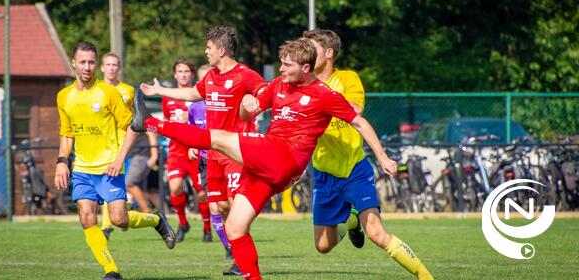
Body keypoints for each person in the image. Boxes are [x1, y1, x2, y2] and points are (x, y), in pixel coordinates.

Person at [133, 38, 402, 279]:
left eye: (286, 65)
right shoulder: (278, 86)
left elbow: (360, 123)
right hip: (271, 163)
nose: (281, 69)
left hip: (283, 155)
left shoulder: (324, 93)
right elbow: (247, 113)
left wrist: (383, 158)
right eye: (281, 64)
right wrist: (248, 108)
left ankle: (148, 123)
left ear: (305, 68)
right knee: (235, 227)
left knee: (215, 138)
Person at [306, 29, 433, 279]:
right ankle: (350, 221)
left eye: (313, 48)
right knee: (322, 246)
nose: (307, 54)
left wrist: (384, 158)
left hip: (355, 169)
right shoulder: (302, 84)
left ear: (329, 53)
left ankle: (425, 276)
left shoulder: (348, 78)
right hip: (323, 173)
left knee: (377, 234)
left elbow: (356, 109)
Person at [139, 26, 266, 276]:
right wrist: (159, 91)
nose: (206, 52)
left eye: (208, 47)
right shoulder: (211, 77)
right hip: (213, 154)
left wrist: (255, 102)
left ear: (221, 49)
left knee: (234, 205)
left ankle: (243, 261)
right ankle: (239, 255)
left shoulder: (245, 75)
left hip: (236, 153)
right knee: (220, 206)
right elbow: (191, 93)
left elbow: (265, 92)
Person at [54, 41, 175, 280]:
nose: (87, 67)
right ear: (73, 63)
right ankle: (111, 271)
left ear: (95, 64)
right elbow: (67, 133)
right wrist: (61, 161)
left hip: (109, 167)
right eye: (83, 62)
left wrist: (120, 158)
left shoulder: (108, 93)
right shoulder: (63, 96)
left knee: (119, 219)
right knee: (86, 215)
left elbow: (132, 126)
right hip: (82, 168)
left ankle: (156, 219)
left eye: (91, 62)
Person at [100, 52, 159, 237]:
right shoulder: (95, 89)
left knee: (124, 183)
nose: (111, 68)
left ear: (119, 68)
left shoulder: (129, 90)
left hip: (132, 147)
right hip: (105, 147)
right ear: (102, 68)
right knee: (108, 184)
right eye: (108, 65)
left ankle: (142, 214)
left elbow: (144, 121)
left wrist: (154, 152)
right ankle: (109, 224)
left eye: (114, 65)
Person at [161, 59, 211, 242]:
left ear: (192, 74)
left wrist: (188, 123)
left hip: (196, 151)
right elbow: (166, 121)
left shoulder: (198, 95)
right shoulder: (168, 97)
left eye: (186, 71)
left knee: (202, 193)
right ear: (175, 75)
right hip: (176, 151)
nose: (183, 74)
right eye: (179, 71)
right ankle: (183, 223)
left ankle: (207, 228)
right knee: (174, 187)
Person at [188, 64, 234, 254]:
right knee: (216, 208)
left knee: (231, 206)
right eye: (202, 79)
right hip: (207, 161)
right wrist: (192, 144)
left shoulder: (225, 101)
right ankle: (229, 247)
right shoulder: (194, 107)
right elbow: (193, 130)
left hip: (230, 159)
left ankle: (237, 239)